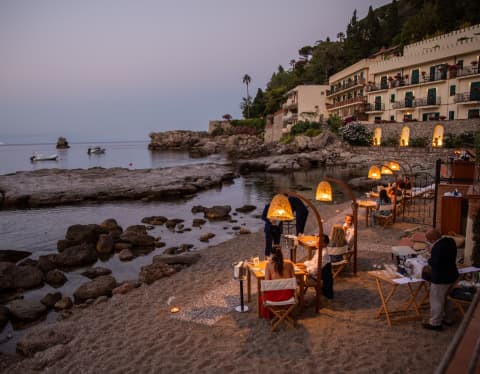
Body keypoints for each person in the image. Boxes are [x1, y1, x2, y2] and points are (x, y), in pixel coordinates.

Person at [422, 228, 459, 331]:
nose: (428, 242)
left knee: (436, 301)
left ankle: (435, 323)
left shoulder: (437, 248)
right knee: (448, 299)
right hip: (453, 274)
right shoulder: (450, 241)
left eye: (428, 240)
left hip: (441, 278)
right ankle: (448, 319)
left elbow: (435, 263)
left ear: (433, 239)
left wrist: (429, 258)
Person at [261, 245, 295, 319]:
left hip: (274, 298)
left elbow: (267, 282)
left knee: (262, 296)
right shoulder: (289, 264)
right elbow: (294, 280)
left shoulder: (269, 265)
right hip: (288, 296)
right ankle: (286, 312)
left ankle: (273, 314)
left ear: (272, 255)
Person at [302, 234, 333, 299]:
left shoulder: (323, 254)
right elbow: (313, 262)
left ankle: (299, 297)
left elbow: (315, 269)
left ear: (324, 244)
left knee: (298, 278)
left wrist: (306, 270)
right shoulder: (319, 250)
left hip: (318, 277)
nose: (316, 242)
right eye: (317, 240)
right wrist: (304, 264)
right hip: (316, 274)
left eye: (318, 241)